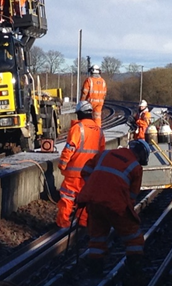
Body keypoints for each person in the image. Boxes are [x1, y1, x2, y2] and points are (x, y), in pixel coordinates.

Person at [77, 139, 149, 276]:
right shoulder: (136, 167)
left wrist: (95, 187)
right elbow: (132, 196)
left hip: (93, 201)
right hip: (115, 205)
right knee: (133, 238)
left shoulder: (105, 154)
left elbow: (85, 170)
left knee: (97, 237)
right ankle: (135, 271)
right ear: (140, 155)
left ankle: (95, 273)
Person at [56, 100, 106, 228]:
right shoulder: (99, 131)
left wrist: (62, 164)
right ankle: (83, 224)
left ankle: (63, 223)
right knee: (85, 200)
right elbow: (101, 153)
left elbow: (70, 148)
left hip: (73, 173)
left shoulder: (77, 128)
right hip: (90, 174)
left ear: (79, 113)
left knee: (67, 199)